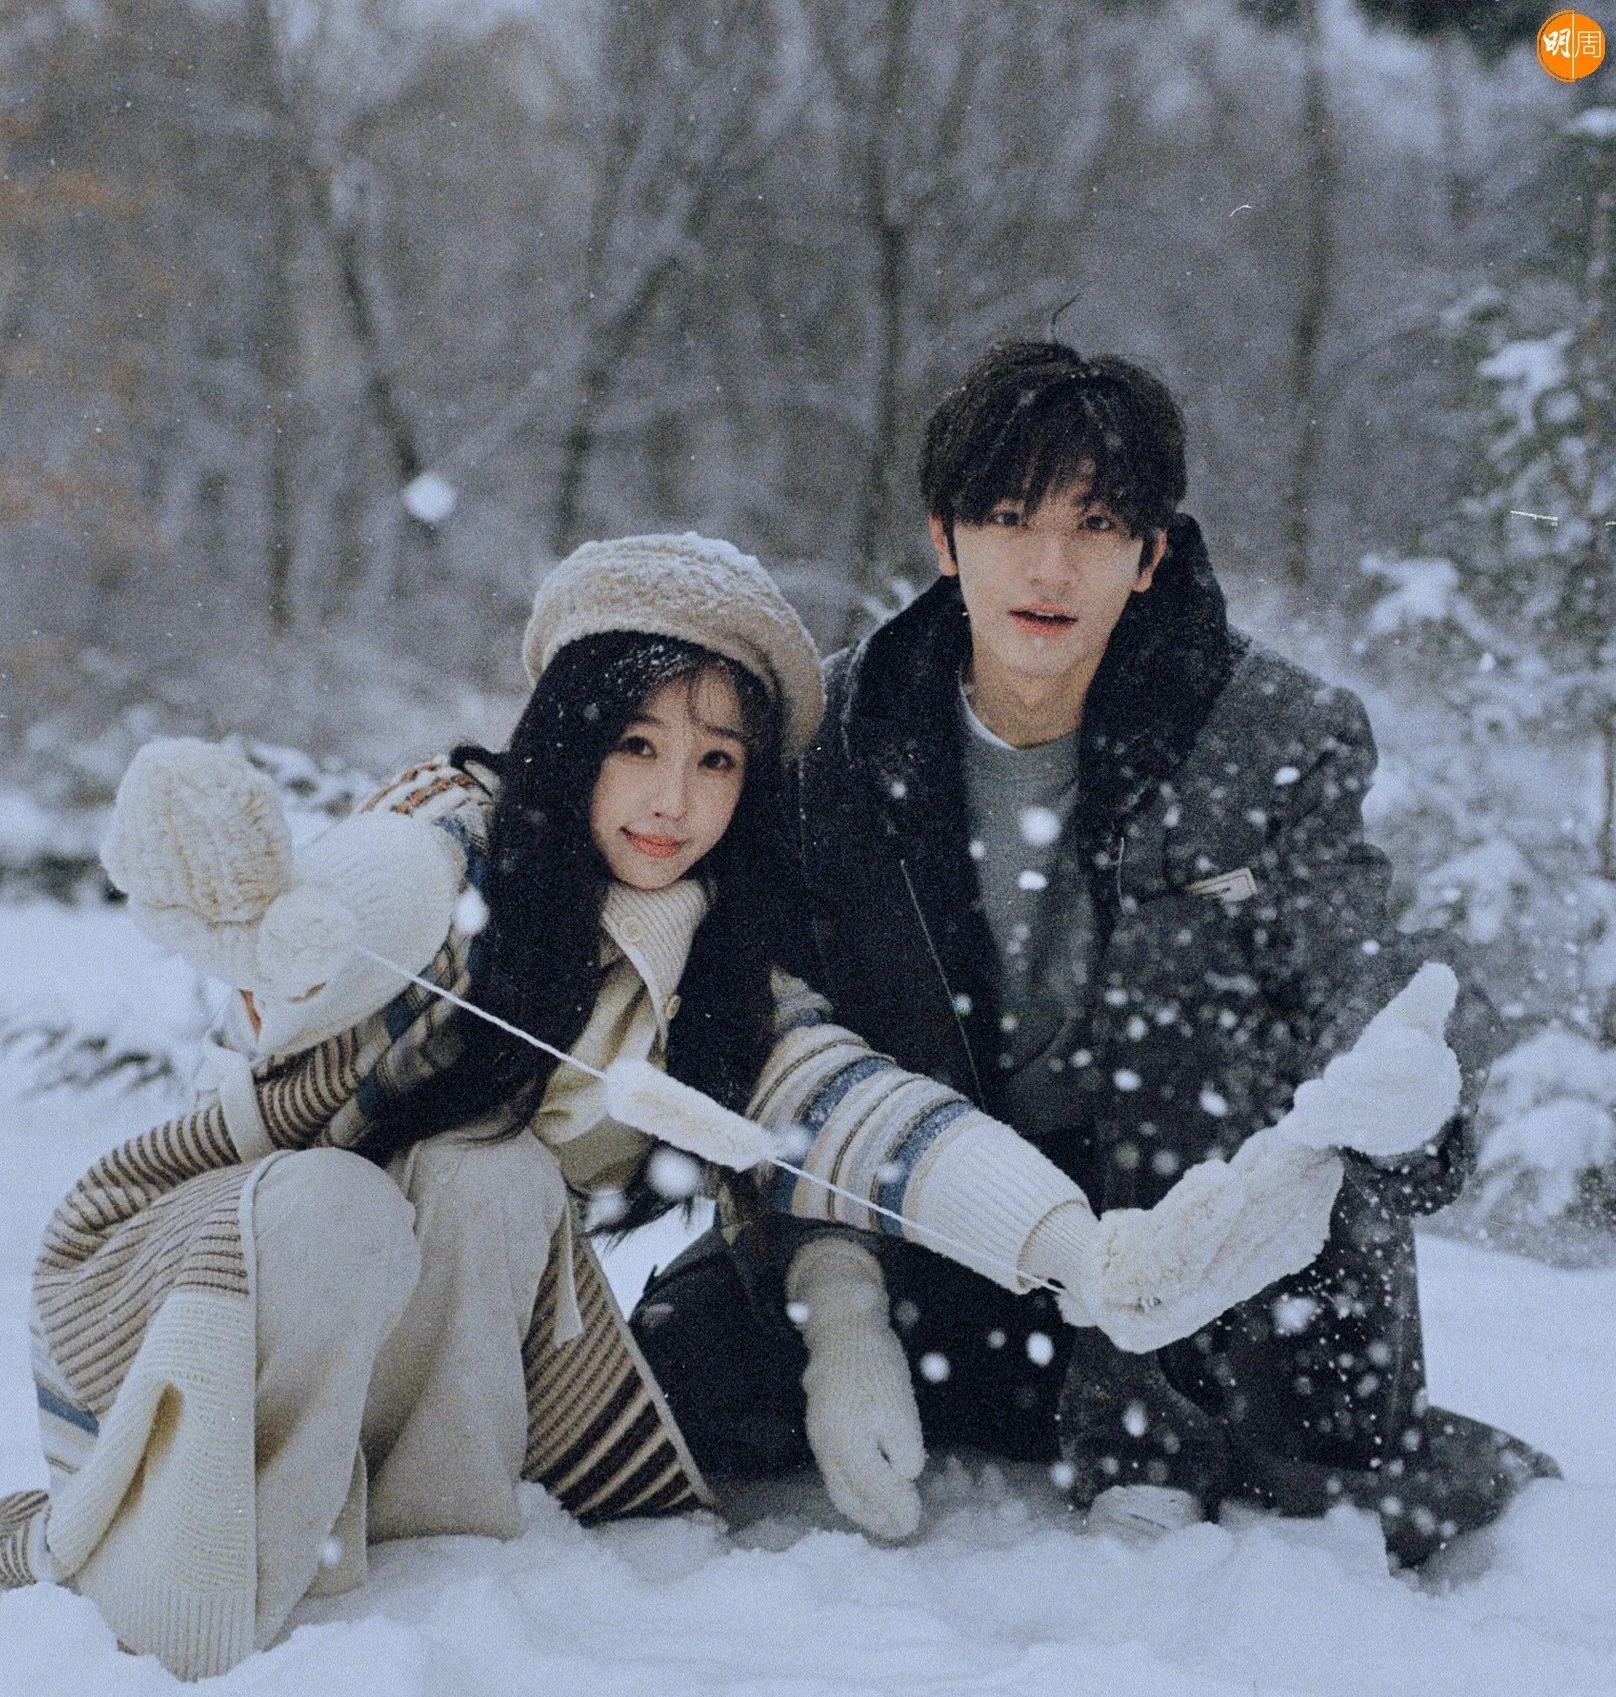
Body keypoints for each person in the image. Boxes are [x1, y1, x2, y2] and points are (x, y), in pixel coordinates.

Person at [0, 532, 1347, 1678]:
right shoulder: (458, 831)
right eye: (635, 743)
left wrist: (1081, 1250)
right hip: (201, 1277)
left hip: (407, 1332)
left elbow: (863, 1118)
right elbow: (379, 886)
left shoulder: (713, 978)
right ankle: (176, 1557)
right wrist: (277, 923)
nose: (670, 798)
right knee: (356, 1199)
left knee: (491, 1173)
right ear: (569, 735)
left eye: (716, 761)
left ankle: (428, 1551)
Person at [629, 344, 1557, 1563]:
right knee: (675, 1374)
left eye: (1095, 524)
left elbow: (1350, 962)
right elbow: (789, 1050)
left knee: (1222, 1048)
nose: (1049, 567)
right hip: (948, 1218)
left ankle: (1156, 1424)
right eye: (1009, 518)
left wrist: (1399, 1079)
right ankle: (1021, 1386)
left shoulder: (1270, 732)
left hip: (1197, 1229)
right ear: (944, 538)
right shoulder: (837, 741)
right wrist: (839, 1310)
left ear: (1149, 553)